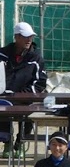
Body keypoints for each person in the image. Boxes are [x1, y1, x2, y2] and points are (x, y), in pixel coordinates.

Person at [0, 22, 47, 157]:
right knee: (2, 107)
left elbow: (40, 82)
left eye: (30, 36)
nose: (29, 40)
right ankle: (7, 142)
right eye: (25, 36)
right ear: (16, 37)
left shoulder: (36, 58)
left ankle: (21, 142)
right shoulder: (2, 55)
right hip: (4, 96)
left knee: (30, 109)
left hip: (26, 98)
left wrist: (25, 94)